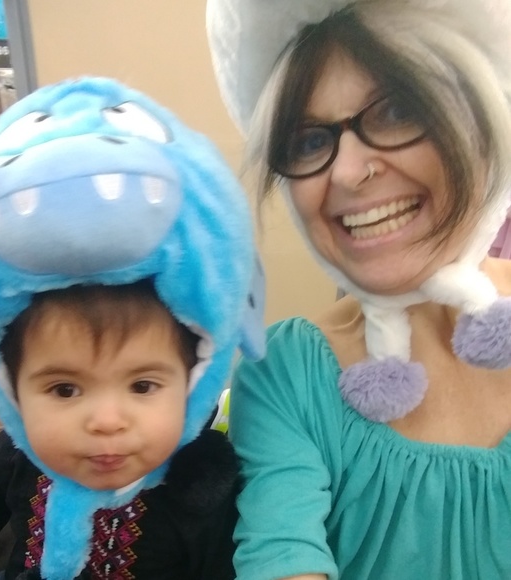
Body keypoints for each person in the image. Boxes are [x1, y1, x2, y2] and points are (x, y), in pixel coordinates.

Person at [206, 0, 511, 578]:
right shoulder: (285, 374)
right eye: (308, 141)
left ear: (478, 116)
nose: (347, 172)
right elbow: (281, 555)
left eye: (396, 111)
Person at [0, 76, 265, 579]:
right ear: (12, 392)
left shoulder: (204, 495)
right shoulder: (14, 459)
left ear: (192, 383)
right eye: (65, 389)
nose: (107, 421)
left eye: (143, 385)